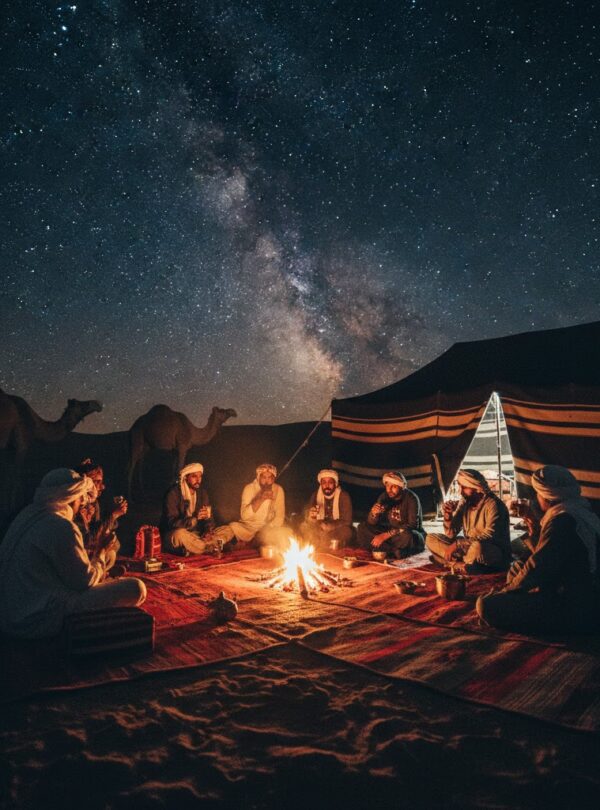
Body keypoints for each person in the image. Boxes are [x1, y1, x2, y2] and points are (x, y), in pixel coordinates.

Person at [0, 468, 146, 639]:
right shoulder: (60, 525)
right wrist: (101, 550)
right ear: (71, 497)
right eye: (80, 497)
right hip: (36, 619)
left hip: (10, 615)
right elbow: (86, 582)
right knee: (136, 588)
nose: (82, 502)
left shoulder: (25, 516)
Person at [476, 465, 600, 634]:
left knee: (486, 605)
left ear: (547, 496)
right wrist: (535, 532)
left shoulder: (562, 521)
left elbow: (537, 568)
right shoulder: (579, 511)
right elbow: (546, 557)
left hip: (573, 606)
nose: (536, 498)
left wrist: (505, 592)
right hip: (575, 593)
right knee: (516, 569)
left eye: (538, 493)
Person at [426, 468, 511, 573]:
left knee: (477, 547)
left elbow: (488, 536)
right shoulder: (465, 502)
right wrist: (448, 515)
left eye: (464, 487)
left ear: (477, 488)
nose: (460, 491)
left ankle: (452, 563)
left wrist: (458, 544)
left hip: (491, 549)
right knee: (430, 538)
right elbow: (450, 534)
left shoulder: (494, 505)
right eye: (460, 487)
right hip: (467, 548)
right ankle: (464, 565)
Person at [214, 463, 289, 549]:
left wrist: (267, 530)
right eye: (264, 477)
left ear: (274, 479)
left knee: (286, 532)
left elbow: (279, 517)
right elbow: (245, 516)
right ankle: (216, 546)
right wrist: (260, 499)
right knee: (231, 528)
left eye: (270, 478)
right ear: (258, 477)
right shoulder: (249, 488)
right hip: (248, 528)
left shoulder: (278, 490)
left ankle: (255, 543)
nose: (267, 481)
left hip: (267, 529)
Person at [75, 458, 127, 576]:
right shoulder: (76, 505)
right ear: (86, 482)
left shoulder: (94, 503)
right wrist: (113, 515)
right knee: (109, 553)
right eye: (97, 482)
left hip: (89, 548)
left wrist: (113, 514)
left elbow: (98, 529)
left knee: (114, 541)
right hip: (77, 554)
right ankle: (101, 573)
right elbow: (89, 539)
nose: (102, 486)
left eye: (101, 482)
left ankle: (104, 571)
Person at [356, 471, 425, 559]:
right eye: (387, 486)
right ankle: (394, 550)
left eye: (394, 486)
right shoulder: (384, 496)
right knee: (362, 528)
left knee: (409, 536)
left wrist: (385, 535)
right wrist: (374, 514)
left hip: (404, 533)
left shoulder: (411, 498)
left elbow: (412, 526)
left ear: (401, 487)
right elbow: (371, 523)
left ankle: (385, 549)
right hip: (390, 533)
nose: (389, 489)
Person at [160, 462, 216, 556]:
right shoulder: (173, 494)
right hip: (175, 533)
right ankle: (207, 548)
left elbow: (209, 519)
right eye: (194, 476)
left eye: (200, 476)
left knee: (223, 530)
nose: (198, 480)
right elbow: (171, 522)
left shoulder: (202, 494)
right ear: (186, 477)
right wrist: (194, 519)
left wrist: (208, 531)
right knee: (180, 535)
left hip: (195, 534)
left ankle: (195, 548)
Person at [299, 469, 353, 550]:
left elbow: (347, 521)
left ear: (335, 483)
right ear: (321, 484)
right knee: (304, 526)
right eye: (324, 482)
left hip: (337, 529)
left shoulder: (343, 496)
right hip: (320, 528)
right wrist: (311, 517)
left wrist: (331, 526)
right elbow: (310, 518)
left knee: (347, 531)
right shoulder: (315, 495)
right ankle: (316, 546)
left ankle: (324, 545)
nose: (327, 485)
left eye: (330, 482)